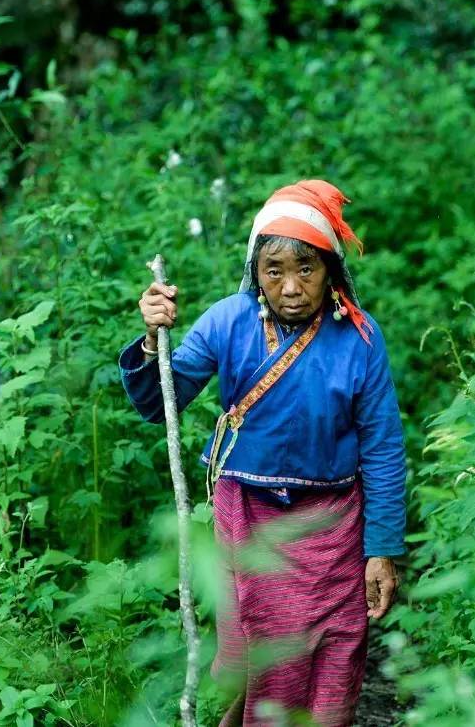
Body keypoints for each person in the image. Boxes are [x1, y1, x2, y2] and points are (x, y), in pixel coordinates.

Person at [118, 179, 407, 727]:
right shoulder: (229, 321)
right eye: (275, 270)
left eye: (307, 269)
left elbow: (384, 448)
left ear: (332, 271)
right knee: (265, 648)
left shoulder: (361, 340)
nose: (292, 287)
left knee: (337, 643)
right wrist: (153, 341)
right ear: (256, 272)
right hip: (249, 519)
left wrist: (382, 548)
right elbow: (163, 405)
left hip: (334, 523)